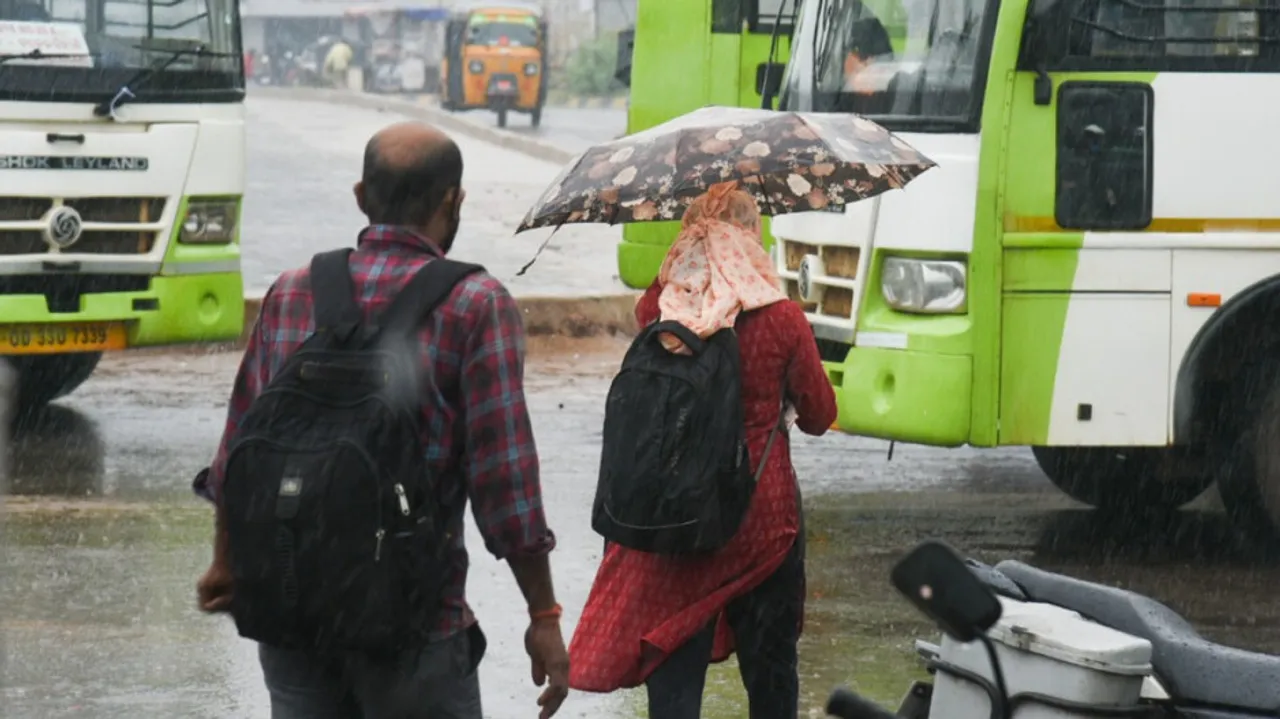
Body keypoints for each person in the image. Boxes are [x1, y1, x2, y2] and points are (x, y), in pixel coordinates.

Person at [193, 121, 570, 719]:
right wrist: (543, 615)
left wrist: (225, 561)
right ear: (454, 201)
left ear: (361, 198)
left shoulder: (293, 292)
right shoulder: (474, 305)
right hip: (412, 622)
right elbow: (506, 488)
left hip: (292, 615)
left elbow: (237, 451)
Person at [568, 182, 838, 717]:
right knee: (771, 666)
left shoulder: (660, 306)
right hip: (761, 517)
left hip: (679, 513)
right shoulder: (780, 318)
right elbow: (820, 417)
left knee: (675, 663)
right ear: (749, 234)